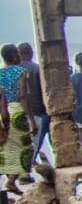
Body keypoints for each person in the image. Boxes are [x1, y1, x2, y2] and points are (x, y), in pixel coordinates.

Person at [0, 44, 34, 194]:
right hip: (15, 112)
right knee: (27, 148)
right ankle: (11, 180)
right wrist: (31, 119)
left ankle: (10, 181)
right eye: (18, 54)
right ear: (14, 56)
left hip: (1, 112)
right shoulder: (21, 72)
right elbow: (23, 96)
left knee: (4, 147)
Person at [17, 42, 48, 175]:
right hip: (35, 110)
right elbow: (44, 91)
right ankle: (24, 174)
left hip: (16, 111)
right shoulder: (36, 69)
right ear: (30, 53)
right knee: (32, 144)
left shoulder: (11, 70)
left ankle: (17, 174)